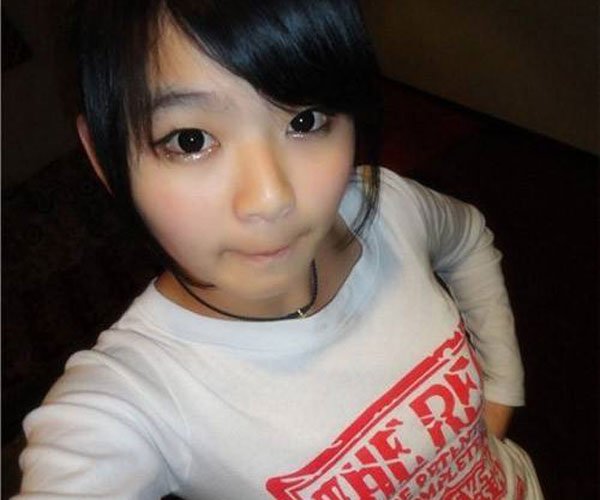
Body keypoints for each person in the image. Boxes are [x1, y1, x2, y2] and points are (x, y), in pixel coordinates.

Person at [16, 0, 542, 498]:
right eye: (191, 140)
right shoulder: (134, 399)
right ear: (104, 157)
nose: (270, 199)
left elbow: (468, 239)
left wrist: (500, 391)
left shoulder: (384, 207)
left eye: (305, 121)